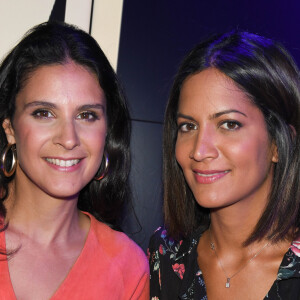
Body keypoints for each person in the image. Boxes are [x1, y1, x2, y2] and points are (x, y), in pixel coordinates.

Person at [0, 22, 149, 299]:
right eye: (44, 113)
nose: (69, 139)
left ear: (106, 131)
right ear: (10, 128)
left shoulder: (127, 266)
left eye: (86, 115)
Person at [148, 30, 300, 299]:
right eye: (188, 126)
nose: (199, 150)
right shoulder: (166, 254)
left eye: (229, 124)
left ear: (279, 142)